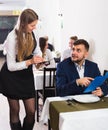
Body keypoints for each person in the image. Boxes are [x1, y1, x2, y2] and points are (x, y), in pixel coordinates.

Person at [0, 9, 44, 130]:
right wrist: (30, 61)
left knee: (31, 111)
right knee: (15, 110)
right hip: (11, 77)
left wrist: (39, 58)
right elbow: (11, 66)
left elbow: (37, 51)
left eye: (35, 25)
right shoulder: (12, 37)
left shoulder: (33, 33)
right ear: (24, 23)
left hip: (26, 76)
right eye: (32, 25)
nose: (34, 28)